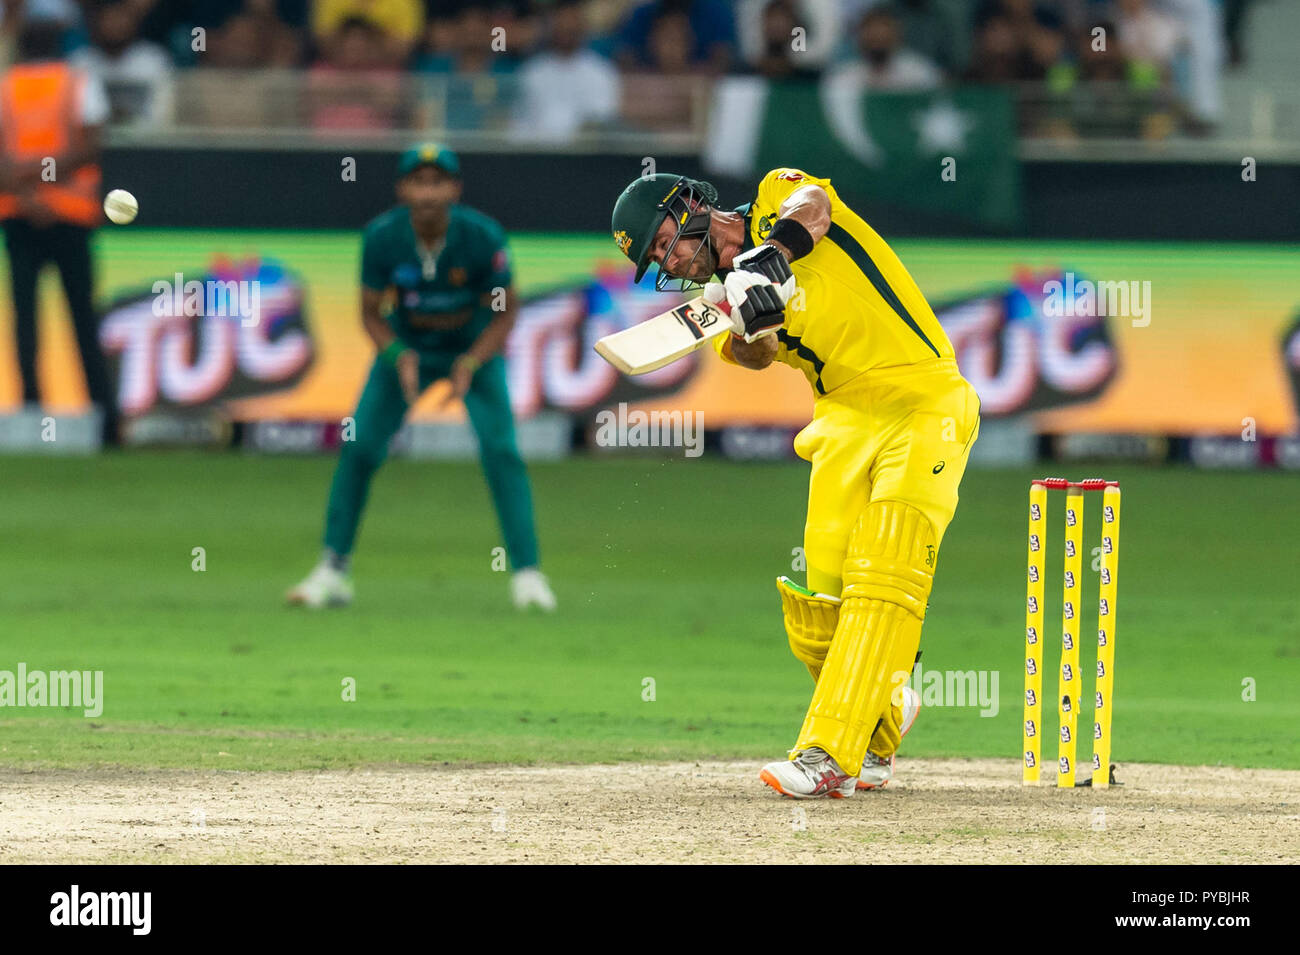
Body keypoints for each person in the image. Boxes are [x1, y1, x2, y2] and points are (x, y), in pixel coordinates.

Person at [610, 168, 980, 797]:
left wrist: (771, 257)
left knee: (884, 576)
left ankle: (827, 756)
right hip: (840, 420)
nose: (669, 261)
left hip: (925, 399)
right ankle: (883, 725)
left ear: (690, 204)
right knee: (818, 613)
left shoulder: (775, 195)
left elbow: (817, 206)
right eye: (656, 260)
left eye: (663, 241)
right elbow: (754, 356)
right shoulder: (721, 299)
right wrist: (753, 323)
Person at [288, 144, 555, 612]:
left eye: (438, 182)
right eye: (419, 181)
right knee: (360, 447)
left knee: (501, 451)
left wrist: (472, 362)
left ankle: (528, 575)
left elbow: (504, 309)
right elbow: (370, 312)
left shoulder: (482, 236)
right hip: (407, 351)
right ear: (402, 188)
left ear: (455, 188)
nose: (428, 192)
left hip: (471, 352)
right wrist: (396, 354)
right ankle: (333, 570)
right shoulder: (382, 237)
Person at [0, 18, 118, 445]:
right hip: (69, 215)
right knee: (83, 320)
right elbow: (90, 144)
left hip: (20, 214)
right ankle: (106, 424)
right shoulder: (77, 82)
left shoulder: (5, 86)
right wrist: (48, 186)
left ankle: (32, 419)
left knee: (25, 322)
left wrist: (27, 190)